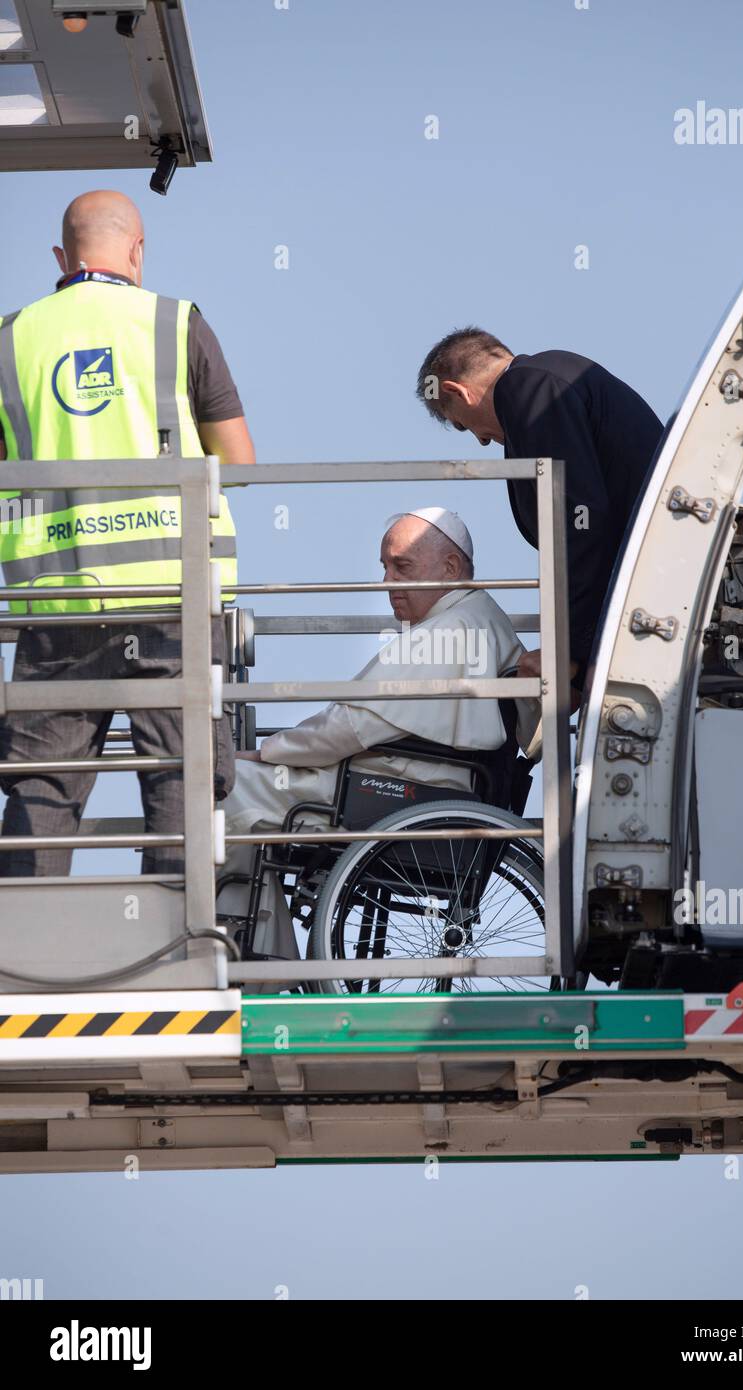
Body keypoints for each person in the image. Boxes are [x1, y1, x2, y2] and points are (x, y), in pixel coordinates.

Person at [0, 189, 255, 876]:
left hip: (56, 607)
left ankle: (23, 954)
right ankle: (174, 942)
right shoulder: (175, 324)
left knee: (41, 785)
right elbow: (241, 463)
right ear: (137, 252)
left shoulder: (10, 340)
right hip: (173, 599)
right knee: (182, 771)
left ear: (62, 255)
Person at [216, 508, 539, 958]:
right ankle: (258, 952)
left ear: (450, 567)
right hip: (423, 789)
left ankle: (250, 956)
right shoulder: (478, 617)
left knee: (227, 791)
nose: (387, 583)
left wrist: (268, 752)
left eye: (402, 566)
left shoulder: (450, 629)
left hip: (396, 794)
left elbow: (349, 727)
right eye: (384, 567)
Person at [416, 327, 664, 698]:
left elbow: (580, 521)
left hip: (649, 588)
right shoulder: (544, 380)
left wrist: (568, 652)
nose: (482, 439)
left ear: (456, 391)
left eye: (463, 424)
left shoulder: (525, 388)